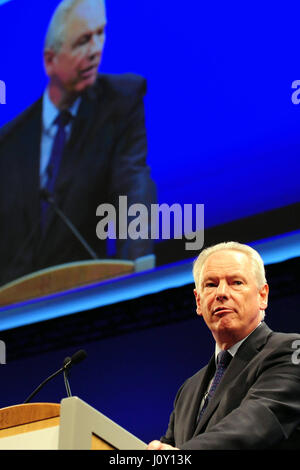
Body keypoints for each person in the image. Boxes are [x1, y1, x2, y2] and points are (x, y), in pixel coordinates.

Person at [0, 0, 155, 286]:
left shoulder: (120, 103)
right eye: (83, 41)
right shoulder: (9, 143)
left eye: (100, 34)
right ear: (50, 60)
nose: (96, 50)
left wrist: (137, 275)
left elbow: (134, 187)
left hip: (86, 297)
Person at [147, 241, 300, 450]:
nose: (221, 293)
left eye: (236, 282)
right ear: (199, 301)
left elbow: (254, 424)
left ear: (262, 295)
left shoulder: (292, 351)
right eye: (210, 284)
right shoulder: (188, 390)